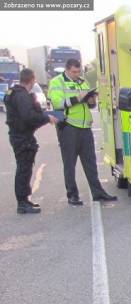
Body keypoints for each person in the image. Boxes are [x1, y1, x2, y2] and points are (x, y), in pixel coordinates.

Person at [47, 58, 116, 206]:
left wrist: (91, 101)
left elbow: (88, 105)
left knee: (91, 163)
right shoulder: (57, 82)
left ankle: (98, 192)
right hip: (68, 126)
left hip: (85, 127)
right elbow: (58, 103)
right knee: (70, 163)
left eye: (79, 71)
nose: (76, 74)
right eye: (74, 72)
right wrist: (78, 97)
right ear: (67, 69)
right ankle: (72, 195)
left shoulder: (82, 81)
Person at [4, 67, 56, 214]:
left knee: (25, 169)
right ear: (32, 79)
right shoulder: (21, 95)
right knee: (24, 169)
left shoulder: (14, 92)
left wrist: (42, 114)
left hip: (20, 135)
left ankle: (24, 200)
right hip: (22, 137)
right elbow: (28, 117)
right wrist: (46, 118)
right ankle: (22, 203)